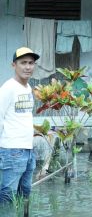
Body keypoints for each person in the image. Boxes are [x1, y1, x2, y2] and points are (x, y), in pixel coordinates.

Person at [0, 47, 40, 204]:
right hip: (11, 150)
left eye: (31, 63)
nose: (28, 67)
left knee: (24, 195)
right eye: (23, 63)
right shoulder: (7, 89)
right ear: (13, 65)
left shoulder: (28, 87)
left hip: (28, 150)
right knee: (7, 197)